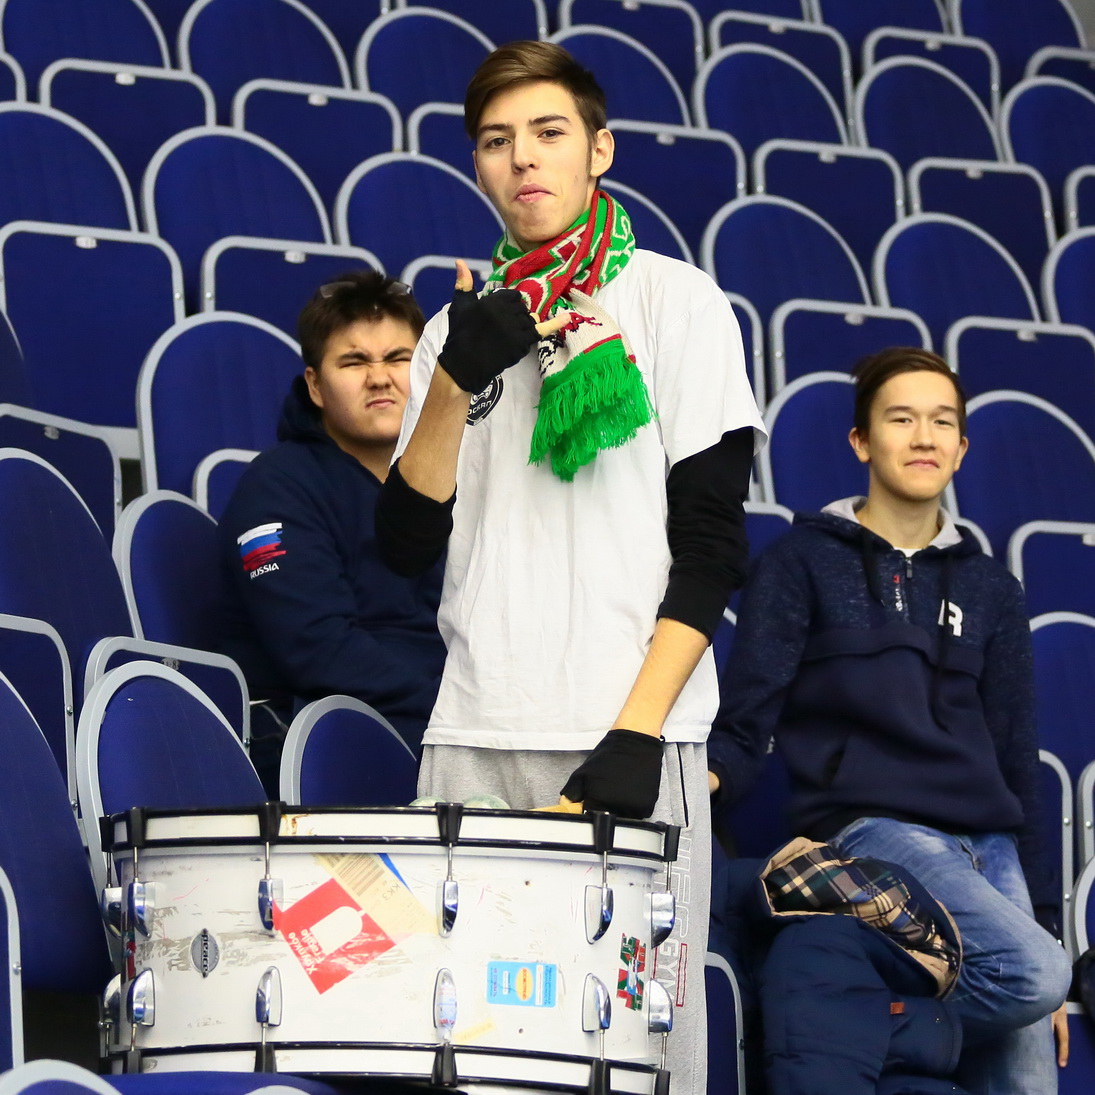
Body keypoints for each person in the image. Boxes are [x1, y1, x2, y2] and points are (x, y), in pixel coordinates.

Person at [374, 41, 765, 1095]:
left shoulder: (678, 302)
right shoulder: (454, 329)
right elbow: (404, 543)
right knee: (466, 1059)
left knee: (638, 1061)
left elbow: (712, 547)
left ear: (600, 150)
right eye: (495, 142)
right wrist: (456, 377)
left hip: (629, 737)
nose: (522, 159)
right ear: (476, 165)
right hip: (474, 731)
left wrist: (636, 734)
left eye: (548, 133)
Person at [708, 347, 1072, 1095]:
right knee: (1034, 976)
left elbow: (1016, 757)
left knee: (1029, 1065)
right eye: (901, 419)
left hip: (991, 849)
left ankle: (865, 1010)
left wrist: (1038, 920)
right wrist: (697, 787)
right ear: (860, 441)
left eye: (942, 422)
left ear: (962, 447)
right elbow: (747, 719)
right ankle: (855, 1011)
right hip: (875, 833)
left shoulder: (991, 587)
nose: (924, 437)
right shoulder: (800, 562)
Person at [218, 272, 446, 783]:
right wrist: (458, 708)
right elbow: (319, 651)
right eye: (354, 362)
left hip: (445, 720)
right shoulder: (276, 486)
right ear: (316, 386)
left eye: (398, 358)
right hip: (335, 734)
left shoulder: (454, 476)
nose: (379, 378)